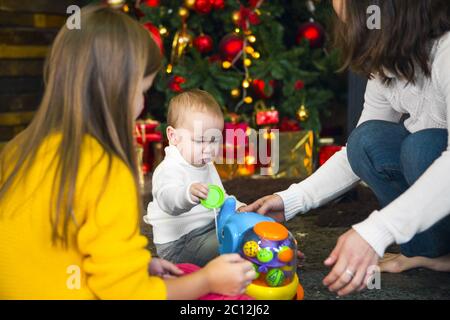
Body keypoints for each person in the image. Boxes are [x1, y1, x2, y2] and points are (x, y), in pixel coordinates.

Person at [0, 4, 255, 299]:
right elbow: (130, 295)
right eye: (142, 91)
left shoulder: (20, 149)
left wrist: (139, 265)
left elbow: (57, 252)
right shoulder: (106, 170)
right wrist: (208, 281)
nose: (142, 105)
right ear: (117, 90)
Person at [241, 0, 450, 296]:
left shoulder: (446, 51)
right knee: (368, 139)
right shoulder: (387, 65)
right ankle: (432, 255)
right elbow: (357, 151)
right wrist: (291, 201)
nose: (347, 29)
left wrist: (377, 230)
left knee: (421, 146)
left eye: (350, 18)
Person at [144, 89, 245, 267]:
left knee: (244, 230)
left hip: (208, 228)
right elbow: (168, 199)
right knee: (230, 246)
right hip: (179, 244)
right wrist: (187, 194)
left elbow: (221, 197)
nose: (208, 149)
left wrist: (240, 208)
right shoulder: (169, 169)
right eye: (199, 141)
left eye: (214, 140)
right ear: (173, 137)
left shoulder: (206, 164)